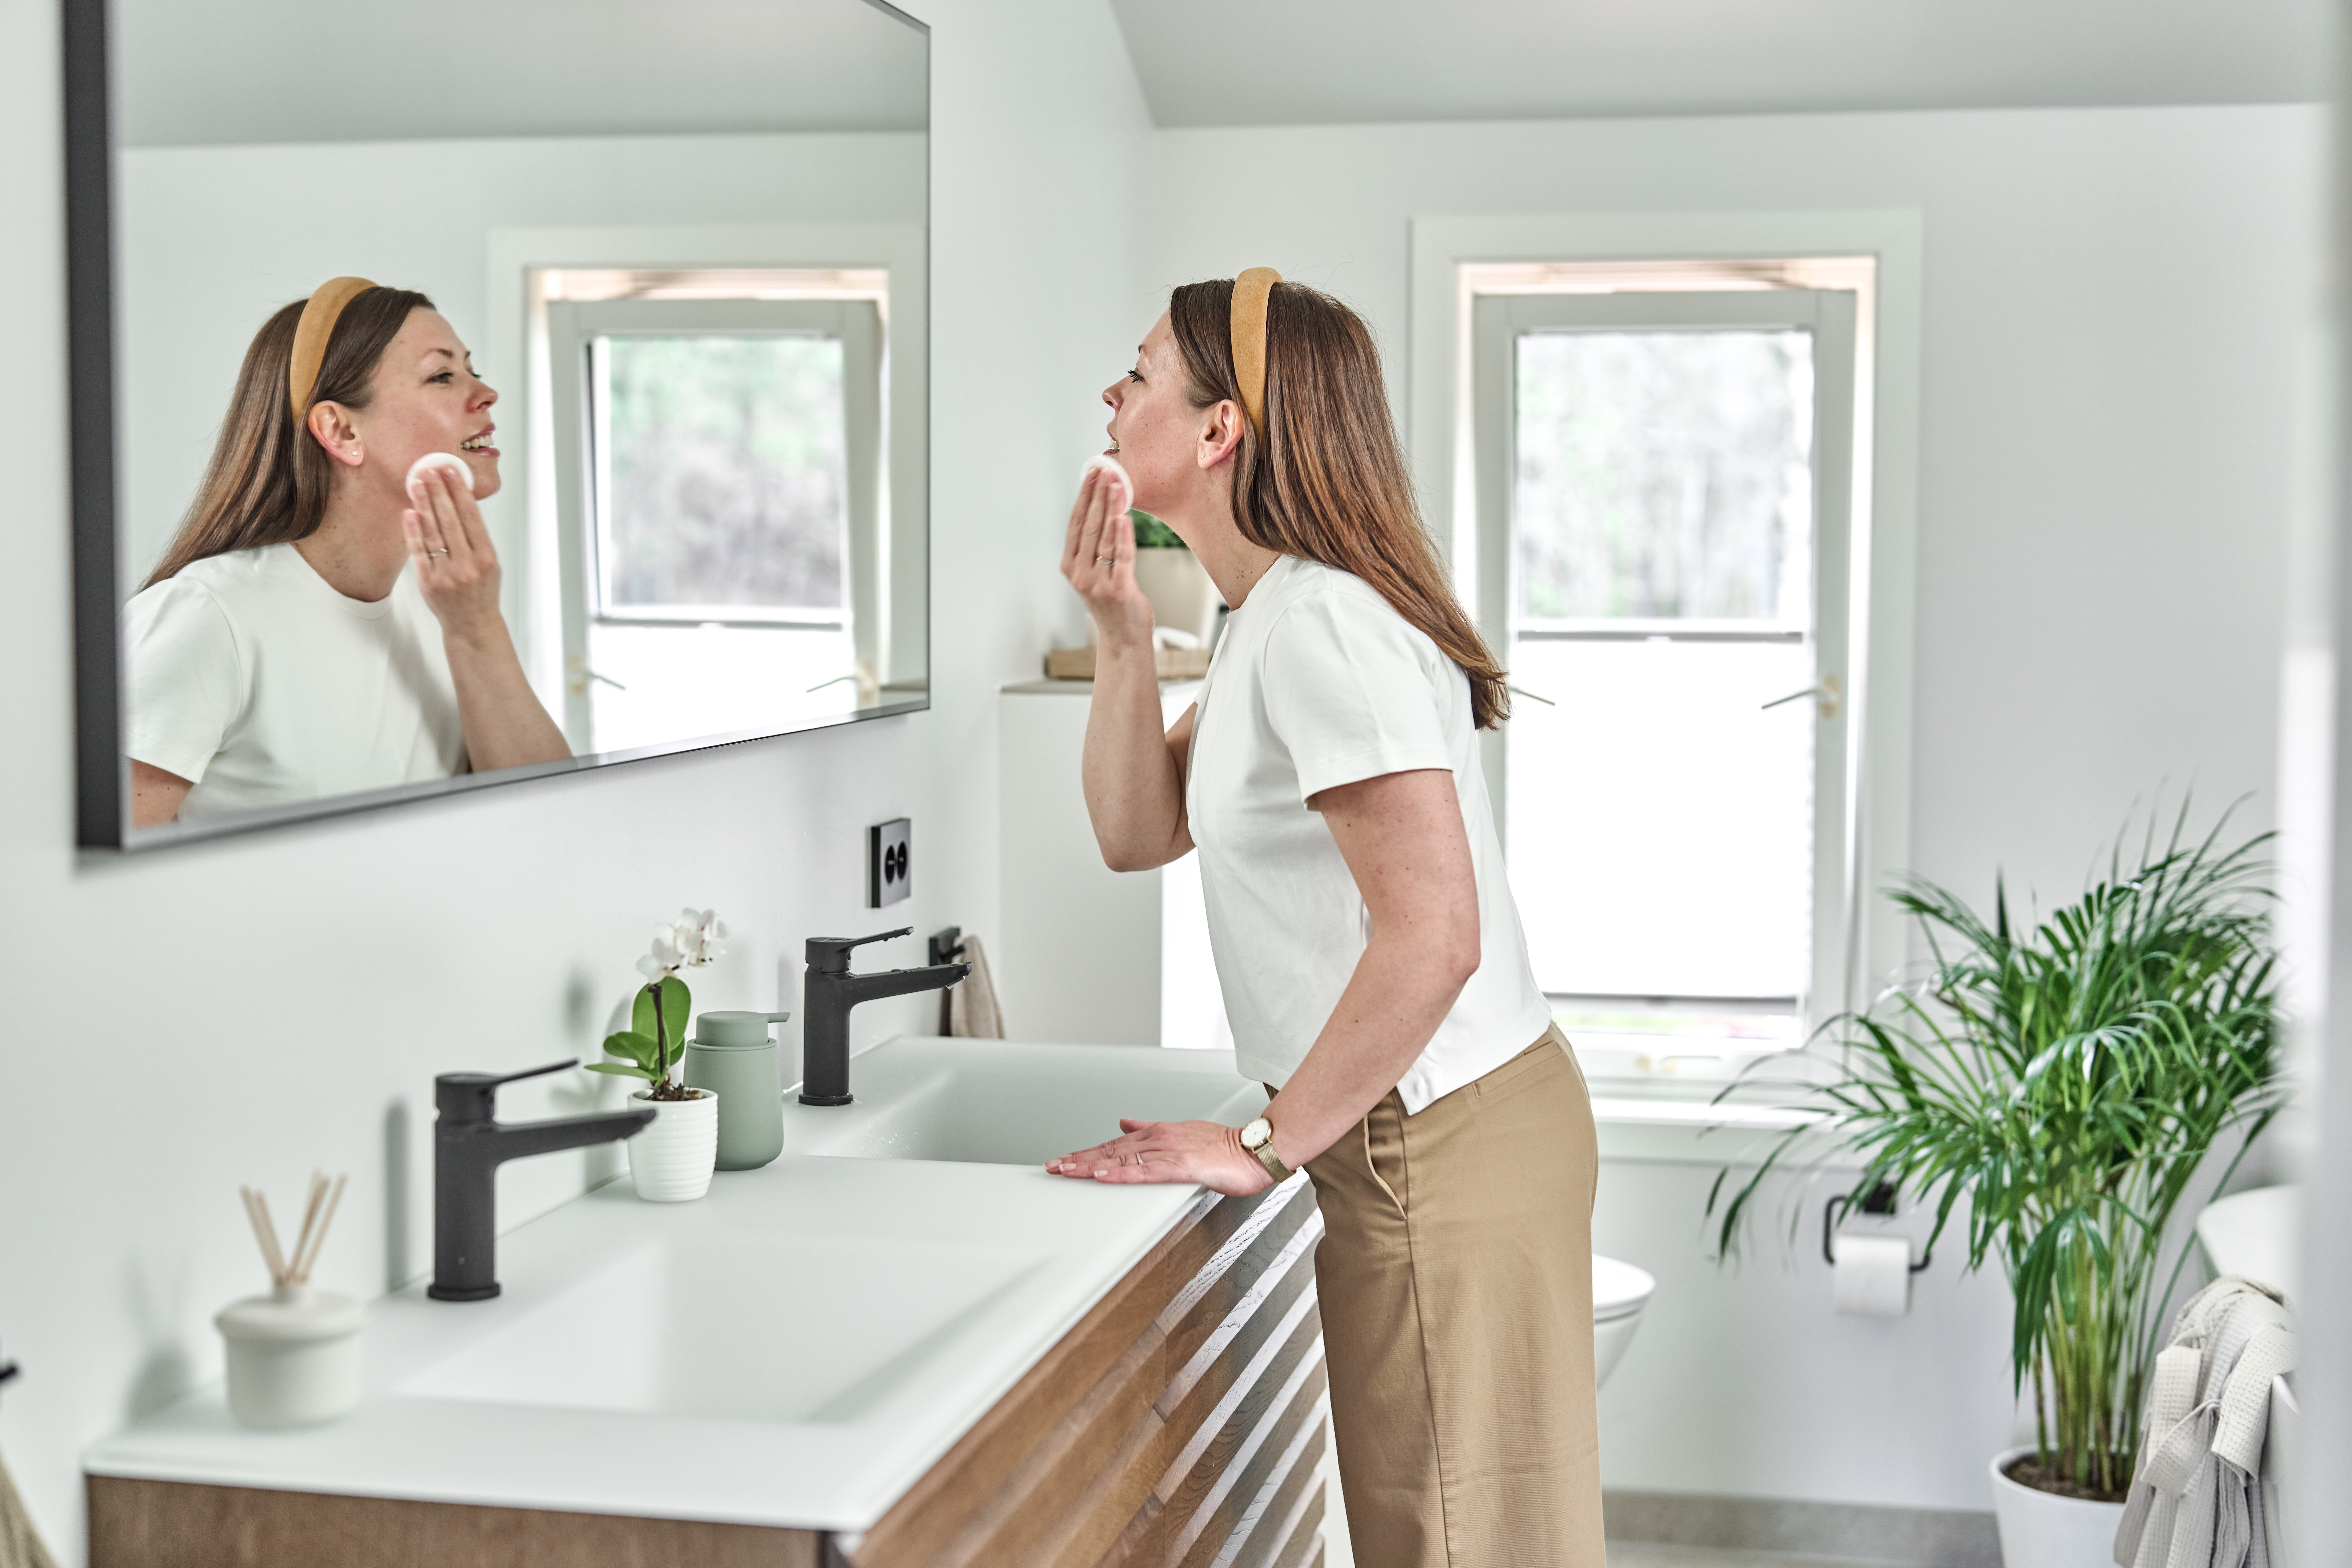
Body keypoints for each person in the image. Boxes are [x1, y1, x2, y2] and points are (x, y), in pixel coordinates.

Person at [1047, 270, 1605, 1568]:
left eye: (1138, 373)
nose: (1112, 394)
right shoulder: (1269, 616)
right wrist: (1124, 633)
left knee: (1456, 1541)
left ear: (1218, 429)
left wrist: (1262, 1138)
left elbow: (1434, 933)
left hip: (1433, 1138)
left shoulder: (1321, 627)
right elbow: (1139, 831)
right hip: (1429, 1127)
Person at [124, 277, 567, 826]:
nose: (485, 392)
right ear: (339, 429)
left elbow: (550, 820)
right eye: (442, 375)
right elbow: (100, 883)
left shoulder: (446, 608)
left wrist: (477, 628)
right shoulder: (206, 618)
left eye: (472, 370)